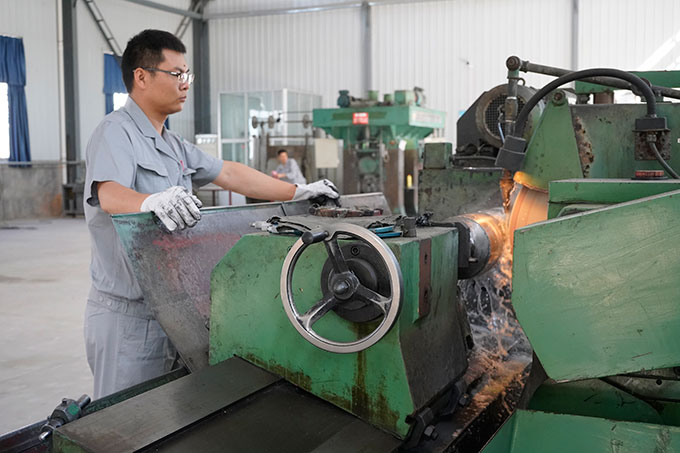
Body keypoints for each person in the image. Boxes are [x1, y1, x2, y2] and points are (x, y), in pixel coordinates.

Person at [83, 29, 338, 399]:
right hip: (130, 319)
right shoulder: (114, 132)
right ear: (141, 77)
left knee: (171, 415)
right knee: (126, 420)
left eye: (187, 74)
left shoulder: (172, 143)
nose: (185, 83)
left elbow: (229, 173)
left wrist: (299, 191)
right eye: (176, 74)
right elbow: (108, 193)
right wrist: (149, 201)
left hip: (174, 311)